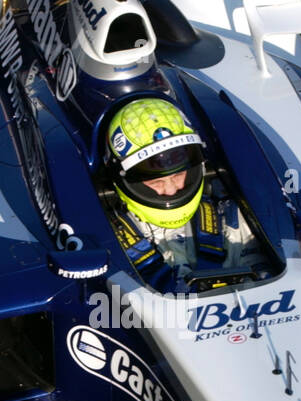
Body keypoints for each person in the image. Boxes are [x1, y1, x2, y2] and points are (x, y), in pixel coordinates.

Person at [104, 98, 261, 287]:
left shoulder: (233, 219)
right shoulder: (108, 242)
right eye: (157, 181)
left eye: (178, 174)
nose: (171, 190)